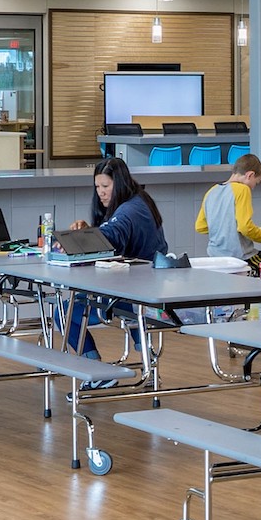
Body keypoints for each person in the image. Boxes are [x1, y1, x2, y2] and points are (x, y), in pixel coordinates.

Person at [60, 158, 167, 371]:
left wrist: (82, 238)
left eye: (106, 186)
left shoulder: (129, 210)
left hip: (133, 295)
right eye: (97, 187)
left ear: (119, 183)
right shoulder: (141, 200)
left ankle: (96, 371)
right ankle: (148, 360)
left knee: (64, 313)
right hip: (144, 288)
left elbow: (111, 235)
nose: (100, 192)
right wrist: (89, 230)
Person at [195, 154, 261, 260]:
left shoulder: (212, 191)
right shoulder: (243, 189)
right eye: (256, 183)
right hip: (239, 257)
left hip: (214, 256)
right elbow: (245, 227)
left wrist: (224, 228)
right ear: (250, 175)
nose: (253, 187)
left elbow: (200, 227)